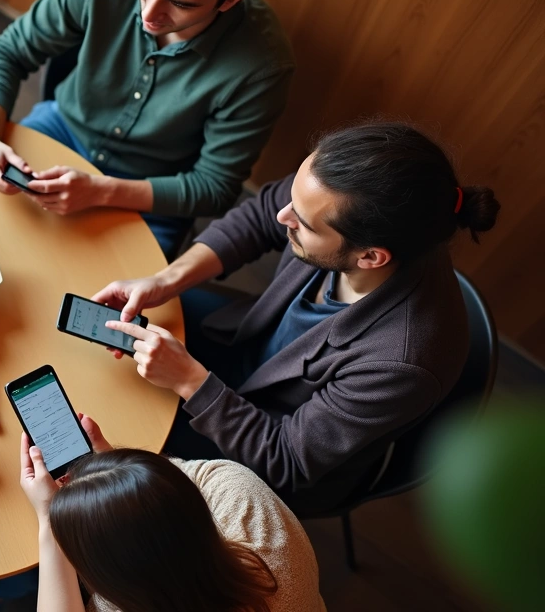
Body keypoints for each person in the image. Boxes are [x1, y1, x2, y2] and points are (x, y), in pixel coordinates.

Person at [91, 121, 501, 514]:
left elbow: (286, 462)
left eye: (301, 224)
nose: (283, 215)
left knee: (106, 450)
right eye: (293, 196)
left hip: (270, 447)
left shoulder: (403, 362)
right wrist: (166, 280)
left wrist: (188, 380)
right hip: (246, 345)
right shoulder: (338, 193)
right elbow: (258, 216)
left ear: (371, 256)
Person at [0, 0, 294, 259]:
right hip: (62, 127)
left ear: (230, 1)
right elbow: (7, 52)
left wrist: (101, 190)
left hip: (152, 189)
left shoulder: (261, 68)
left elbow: (214, 187)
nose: (149, 12)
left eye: (179, 4)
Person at [11, 415, 325, 612]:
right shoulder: (244, 501)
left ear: (106, 580)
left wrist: (50, 521)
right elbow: (179, 483)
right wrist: (113, 475)